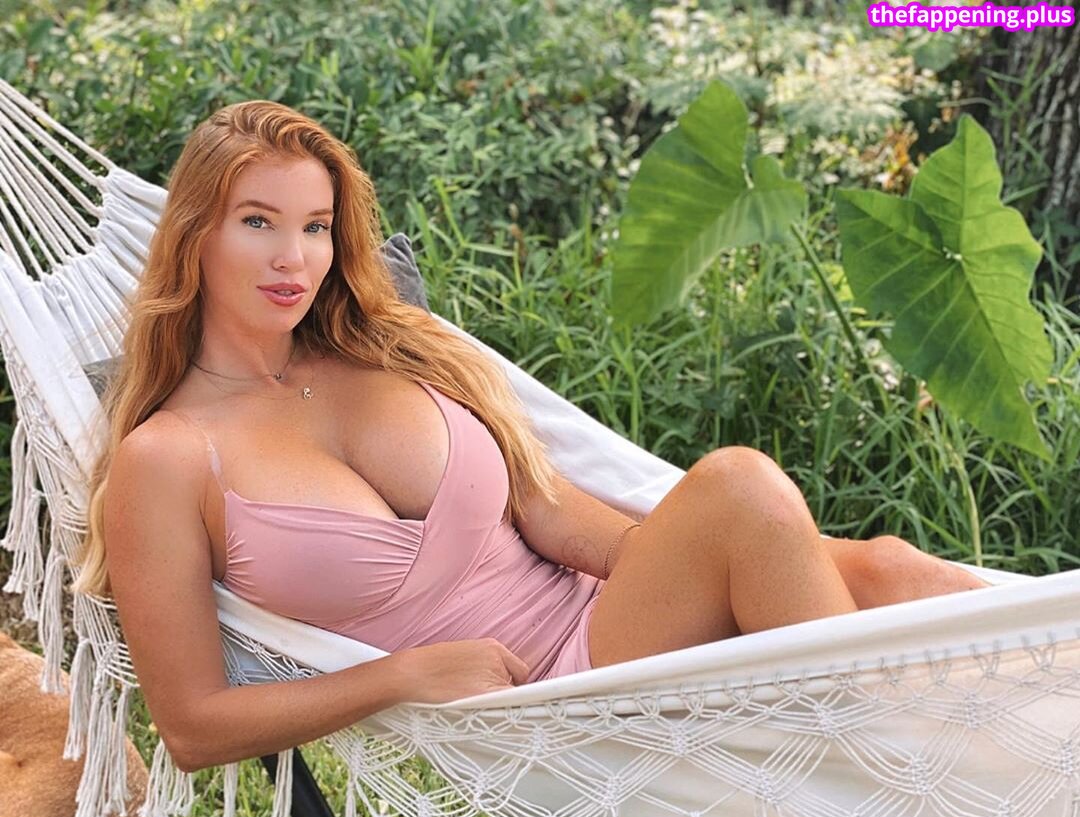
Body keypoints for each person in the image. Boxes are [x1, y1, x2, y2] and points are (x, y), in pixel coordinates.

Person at [73, 100, 988, 775]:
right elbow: (191, 725)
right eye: (258, 223)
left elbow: (547, 511)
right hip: (547, 700)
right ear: (195, 236)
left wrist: (698, 571)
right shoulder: (169, 458)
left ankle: (980, 764)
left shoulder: (386, 349)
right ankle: (898, 776)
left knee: (896, 570)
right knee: (741, 487)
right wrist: (401, 676)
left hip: (617, 621)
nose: (294, 259)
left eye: (315, 227)